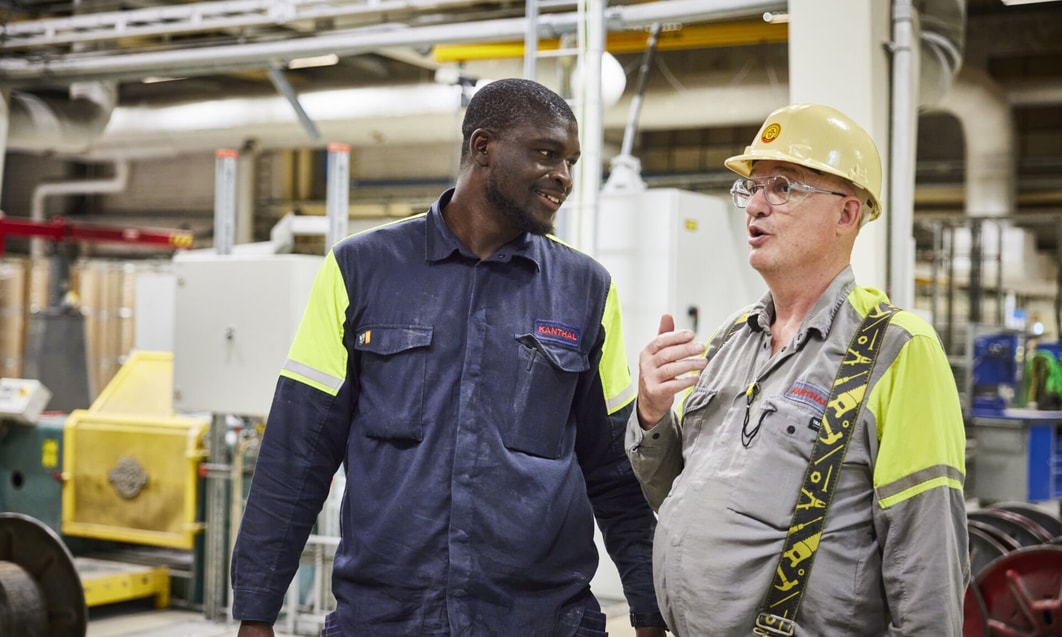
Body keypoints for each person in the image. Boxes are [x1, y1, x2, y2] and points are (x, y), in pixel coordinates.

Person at [231, 78, 668, 637]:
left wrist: (649, 611)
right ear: (483, 148)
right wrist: (257, 611)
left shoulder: (586, 289)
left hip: (540, 618)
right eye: (547, 154)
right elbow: (296, 454)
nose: (564, 176)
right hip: (388, 618)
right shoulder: (359, 269)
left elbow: (614, 470)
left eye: (571, 162)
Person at [626, 103, 970, 636]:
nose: (754, 205)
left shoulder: (898, 350)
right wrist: (652, 413)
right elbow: (677, 490)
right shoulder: (732, 338)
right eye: (751, 187)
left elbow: (927, 564)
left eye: (782, 187)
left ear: (846, 215)